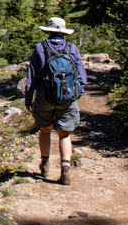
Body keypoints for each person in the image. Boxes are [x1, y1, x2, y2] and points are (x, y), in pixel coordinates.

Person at [24, 17, 87, 185]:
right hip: (67, 97)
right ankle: (65, 171)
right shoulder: (71, 48)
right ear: (63, 32)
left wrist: (28, 99)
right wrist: (77, 93)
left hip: (44, 96)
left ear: (49, 30)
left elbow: (31, 77)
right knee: (64, 134)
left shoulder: (40, 47)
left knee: (45, 130)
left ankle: (45, 164)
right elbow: (81, 74)